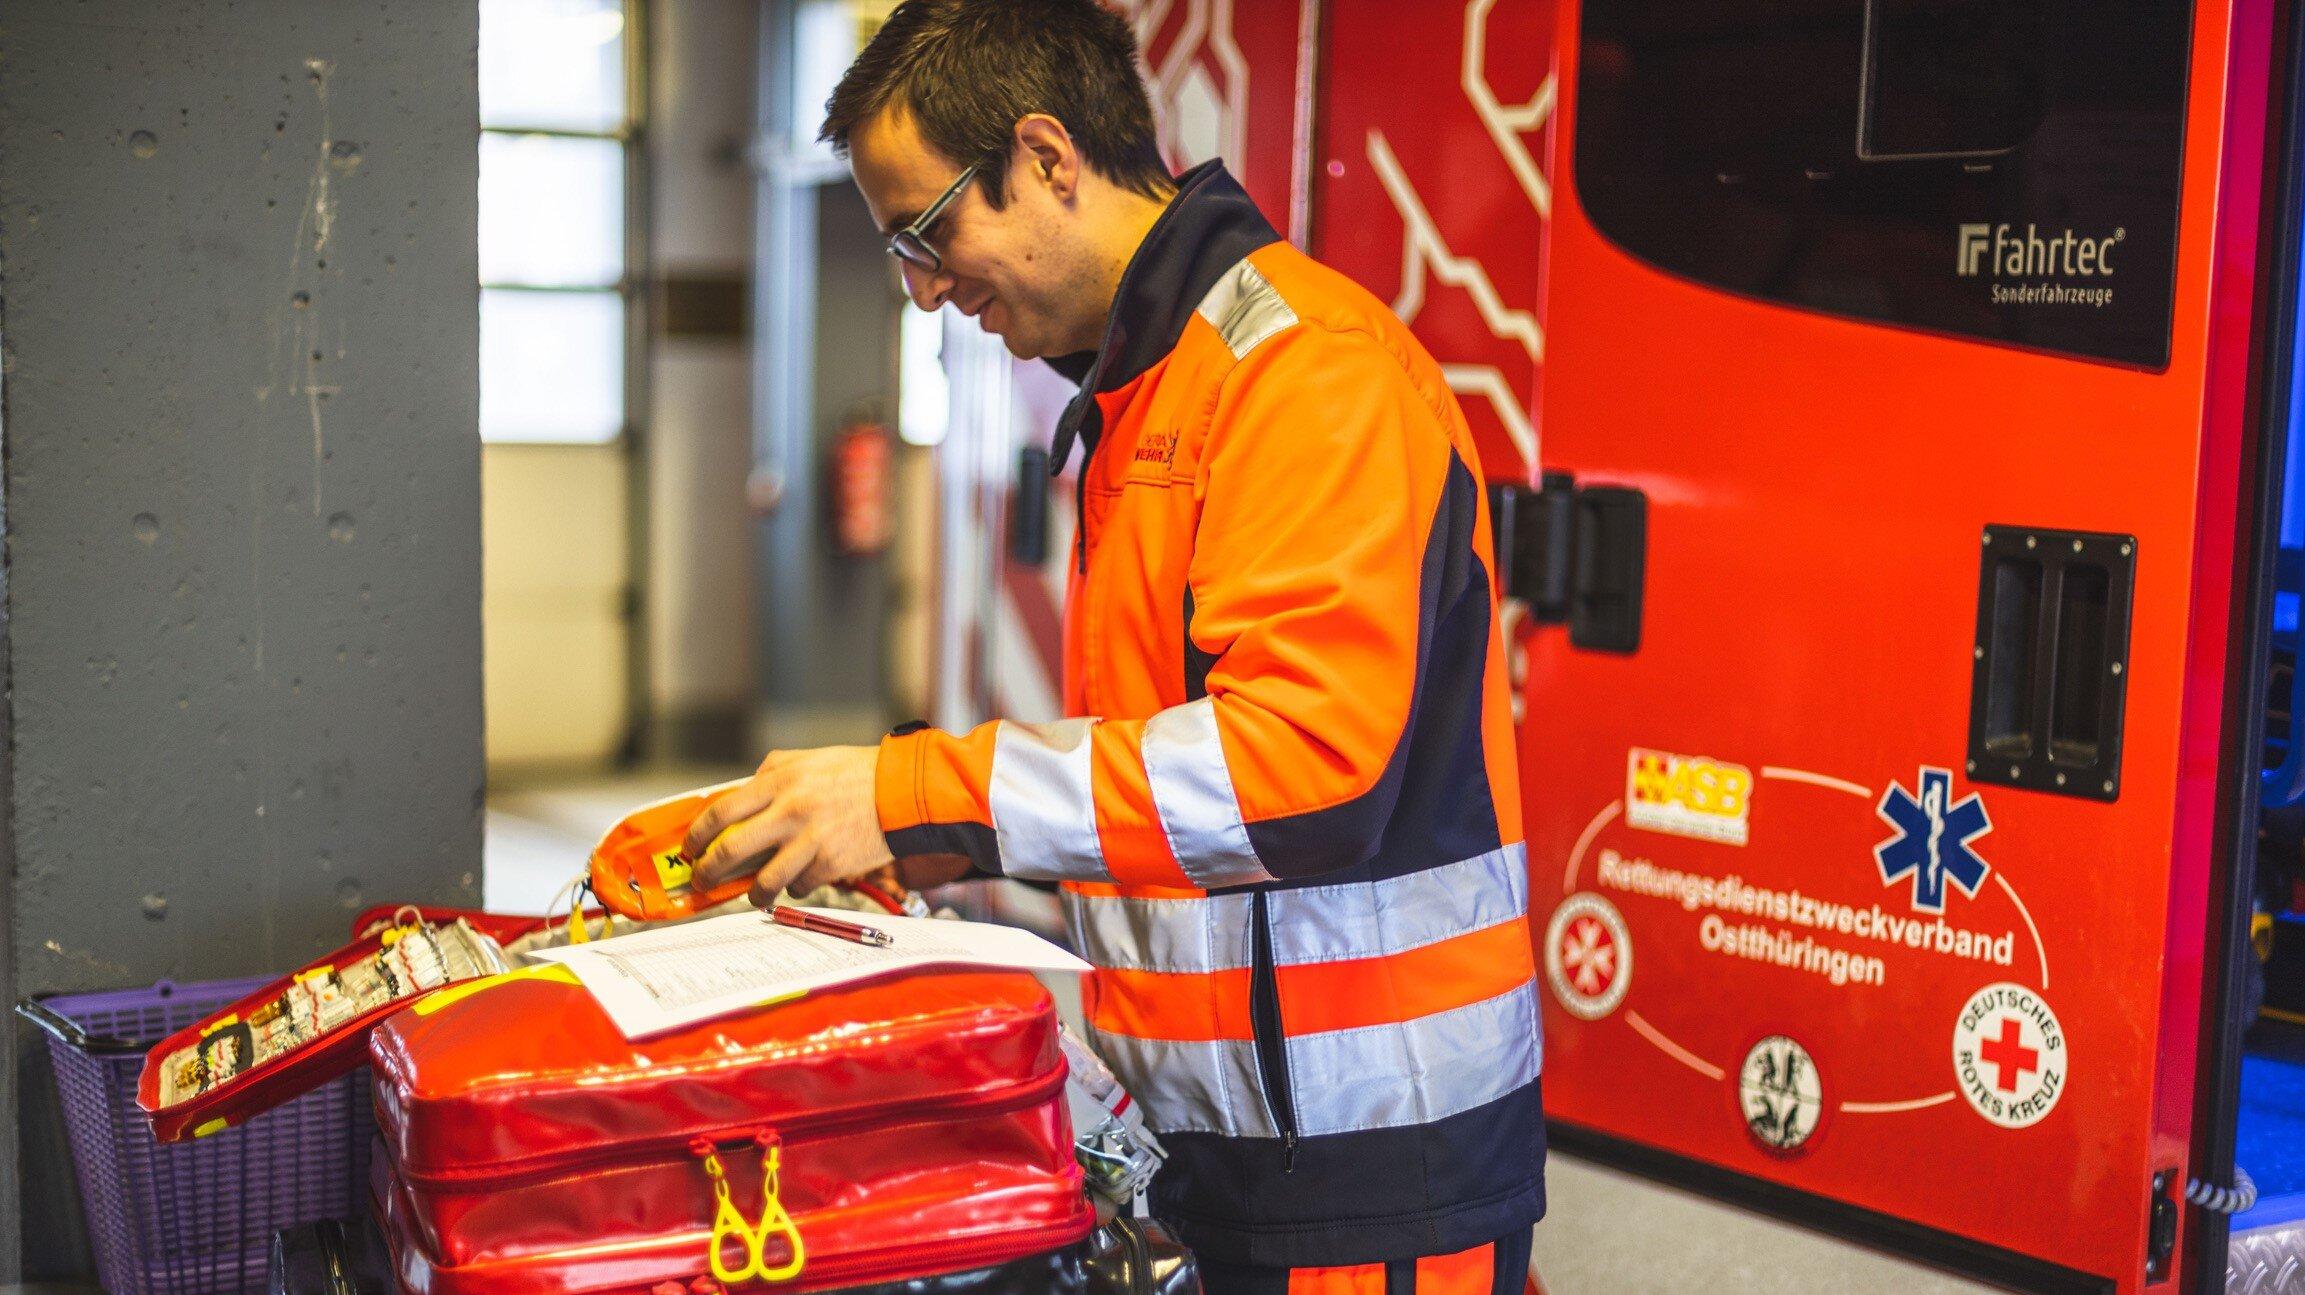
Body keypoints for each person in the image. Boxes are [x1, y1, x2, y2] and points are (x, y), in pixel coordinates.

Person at [682, 2, 1544, 1290]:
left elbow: (1305, 775)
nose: (922, 291)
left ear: (1045, 157)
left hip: (1366, 1155)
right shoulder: (1146, 389)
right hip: (1217, 1134)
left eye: (928, 234)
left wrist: (915, 795)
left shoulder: (1305, 376)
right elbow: (1148, 788)